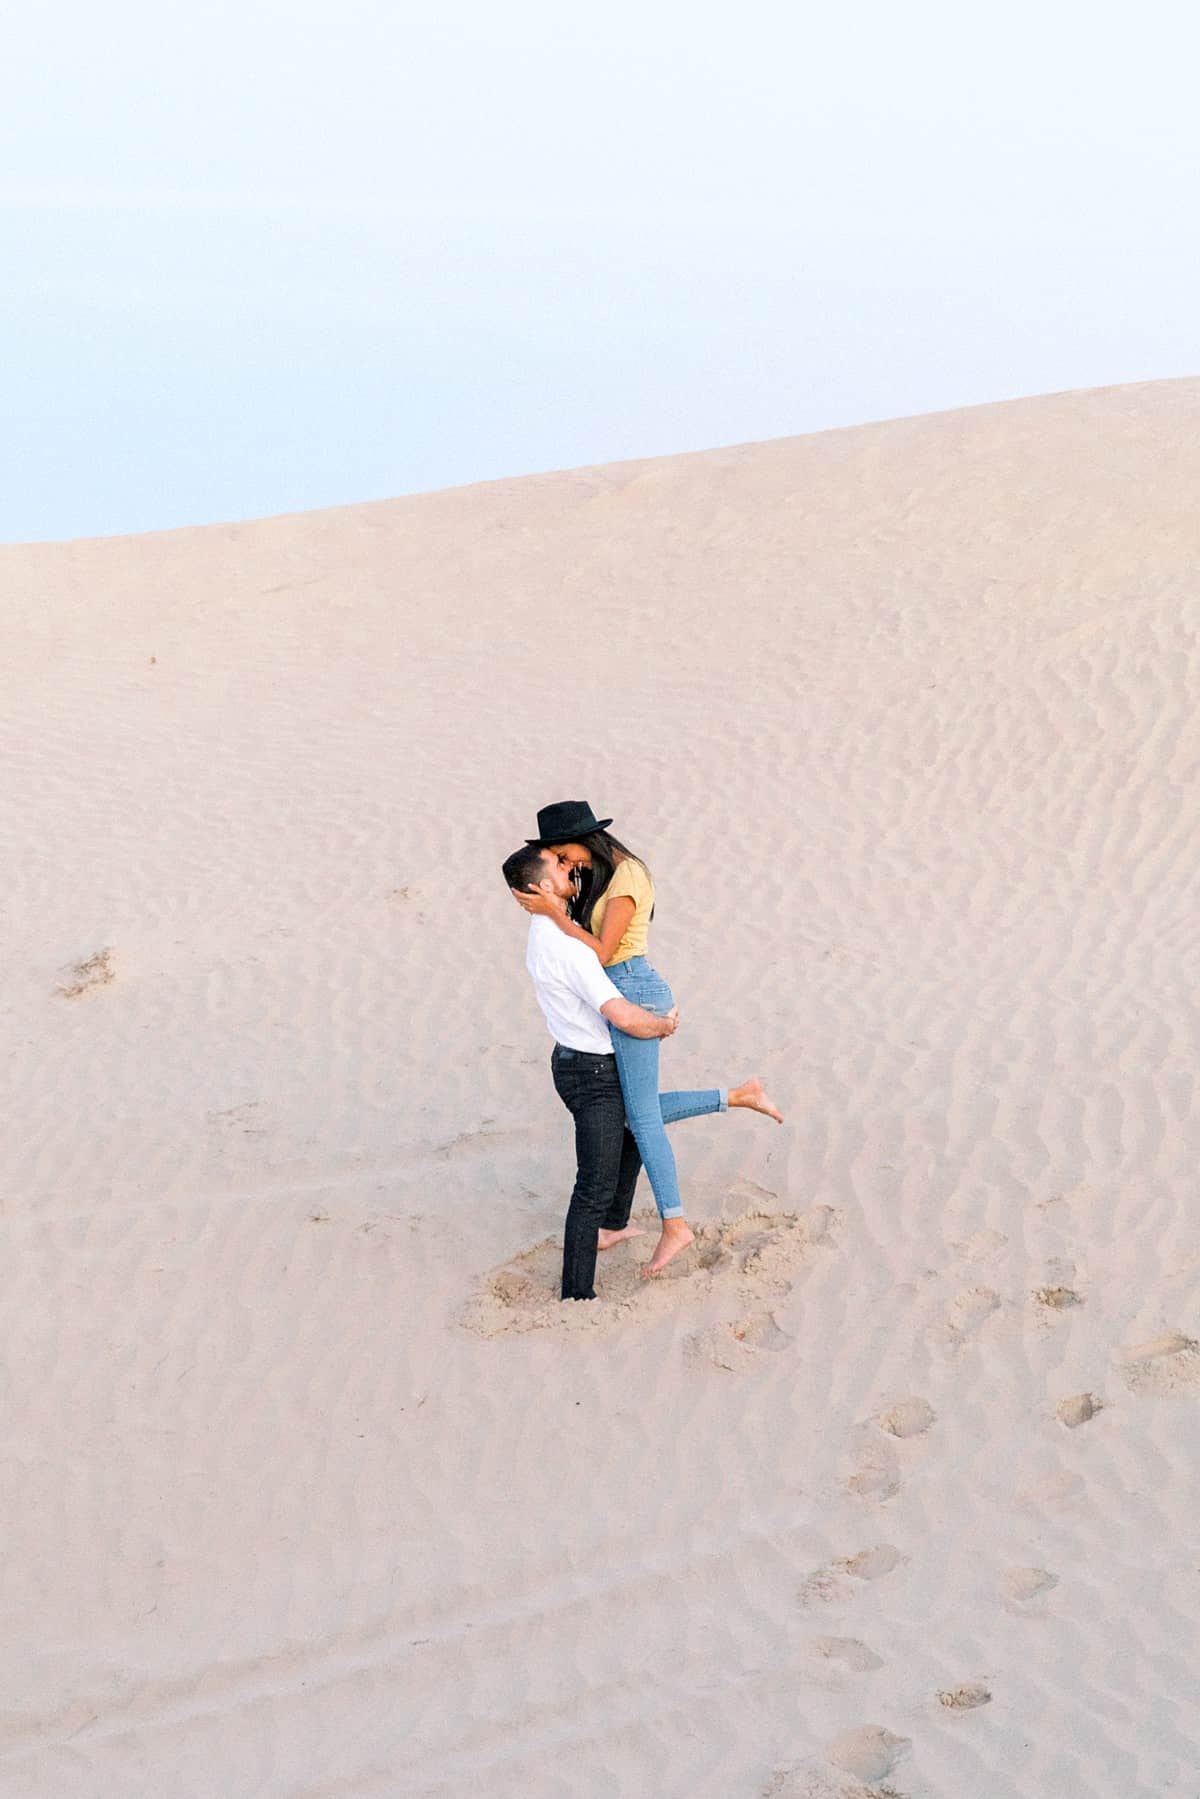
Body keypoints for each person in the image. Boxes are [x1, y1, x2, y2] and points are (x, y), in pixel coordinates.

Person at [513, 800, 783, 1275]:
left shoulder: (626, 879)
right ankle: (739, 1095)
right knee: (635, 1113)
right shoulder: (597, 875)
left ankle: (675, 1224)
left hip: (635, 992)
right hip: (621, 994)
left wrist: (554, 916)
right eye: (558, 859)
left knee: (641, 1120)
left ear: (586, 838)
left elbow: (600, 952)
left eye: (564, 852)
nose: (567, 862)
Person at [502, 841, 682, 1300]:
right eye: (558, 865)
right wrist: (662, 1025)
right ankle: (577, 1294)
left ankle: (613, 1226)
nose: (568, 868)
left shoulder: (547, 933)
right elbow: (621, 1014)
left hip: (575, 1063)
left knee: (633, 1134)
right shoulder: (569, 948)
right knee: (592, 1187)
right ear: (543, 886)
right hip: (592, 1075)